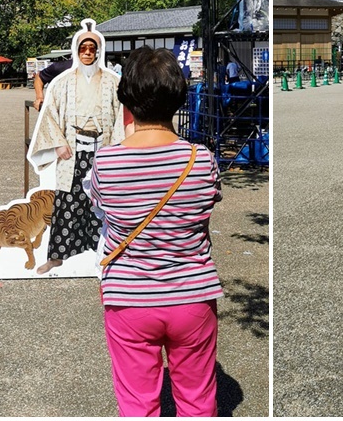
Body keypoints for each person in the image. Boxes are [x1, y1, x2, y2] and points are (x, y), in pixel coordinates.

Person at [88, 45, 222, 416]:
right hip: (193, 295)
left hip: (128, 297)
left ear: (126, 100)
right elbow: (204, 216)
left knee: (137, 403)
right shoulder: (201, 160)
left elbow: (103, 212)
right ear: (179, 98)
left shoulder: (105, 162)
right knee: (197, 398)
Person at [27, 20, 124, 274]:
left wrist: (115, 149)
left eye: (93, 48)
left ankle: (106, 253)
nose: (88, 52)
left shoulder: (113, 82)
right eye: (84, 48)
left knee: (102, 200)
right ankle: (57, 256)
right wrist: (58, 144)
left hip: (102, 147)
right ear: (77, 50)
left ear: (99, 51)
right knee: (67, 200)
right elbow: (49, 114)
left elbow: (121, 117)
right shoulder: (63, 82)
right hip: (73, 148)